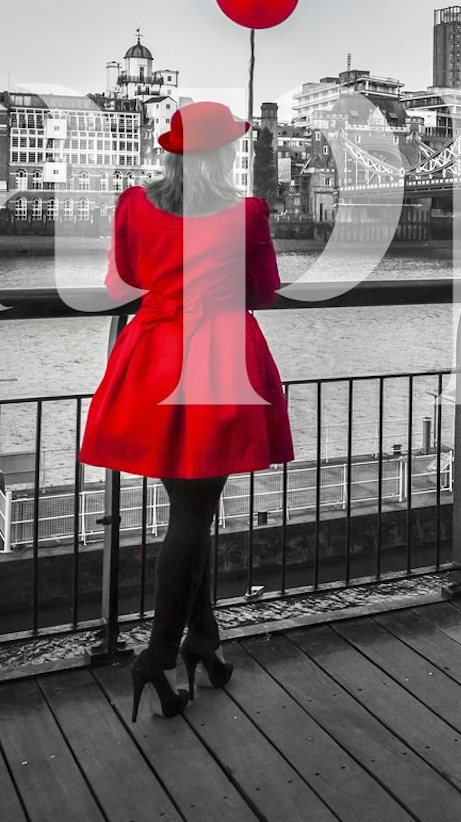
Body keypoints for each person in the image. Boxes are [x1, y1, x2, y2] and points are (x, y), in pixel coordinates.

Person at [79, 101, 295, 721]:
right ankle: (157, 655)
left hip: (151, 357)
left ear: (171, 152)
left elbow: (120, 285)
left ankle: (205, 642)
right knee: (195, 513)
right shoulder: (246, 212)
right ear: (224, 153)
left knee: (190, 511)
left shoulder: (133, 204)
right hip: (218, 361)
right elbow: (262, 292)